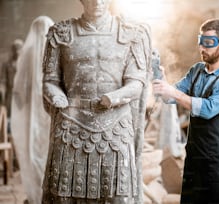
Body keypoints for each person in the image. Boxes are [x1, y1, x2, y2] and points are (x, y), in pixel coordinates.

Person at [41, 0, 152, 203]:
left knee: (118, 195)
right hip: (71, 123)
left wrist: (114, 98)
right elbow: (50, 80)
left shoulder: (131, 33)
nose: (98, 2)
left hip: (116, 125)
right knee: (63, 194)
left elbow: (137, 83)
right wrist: (56, 95)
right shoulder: (61, 32)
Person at [152, 18, 219, 204]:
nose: (202, 48)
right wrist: (159, 77)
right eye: (200, 41)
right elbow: (171, 97)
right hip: (194, 161)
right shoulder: (196, 71)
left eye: (209, 43)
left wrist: (173, 93)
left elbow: (208, 109)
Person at [10, 16, 54, 204]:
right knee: (45, 153)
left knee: (35, 152)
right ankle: (44, 196)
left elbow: (18, 92)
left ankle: (37, 195)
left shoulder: (27, 54)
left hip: (36, 117)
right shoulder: (54, 52)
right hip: (49, 114)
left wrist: (23, 113)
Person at [0, 38, 23, 118]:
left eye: (19, 48)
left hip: (21, 96)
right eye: (15, 48)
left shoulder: (24, 66)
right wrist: (2, 98)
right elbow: (3, 81)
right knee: (8, 116)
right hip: (9, 95)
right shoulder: (6, 65)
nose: (17, 51)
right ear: (12, 50)